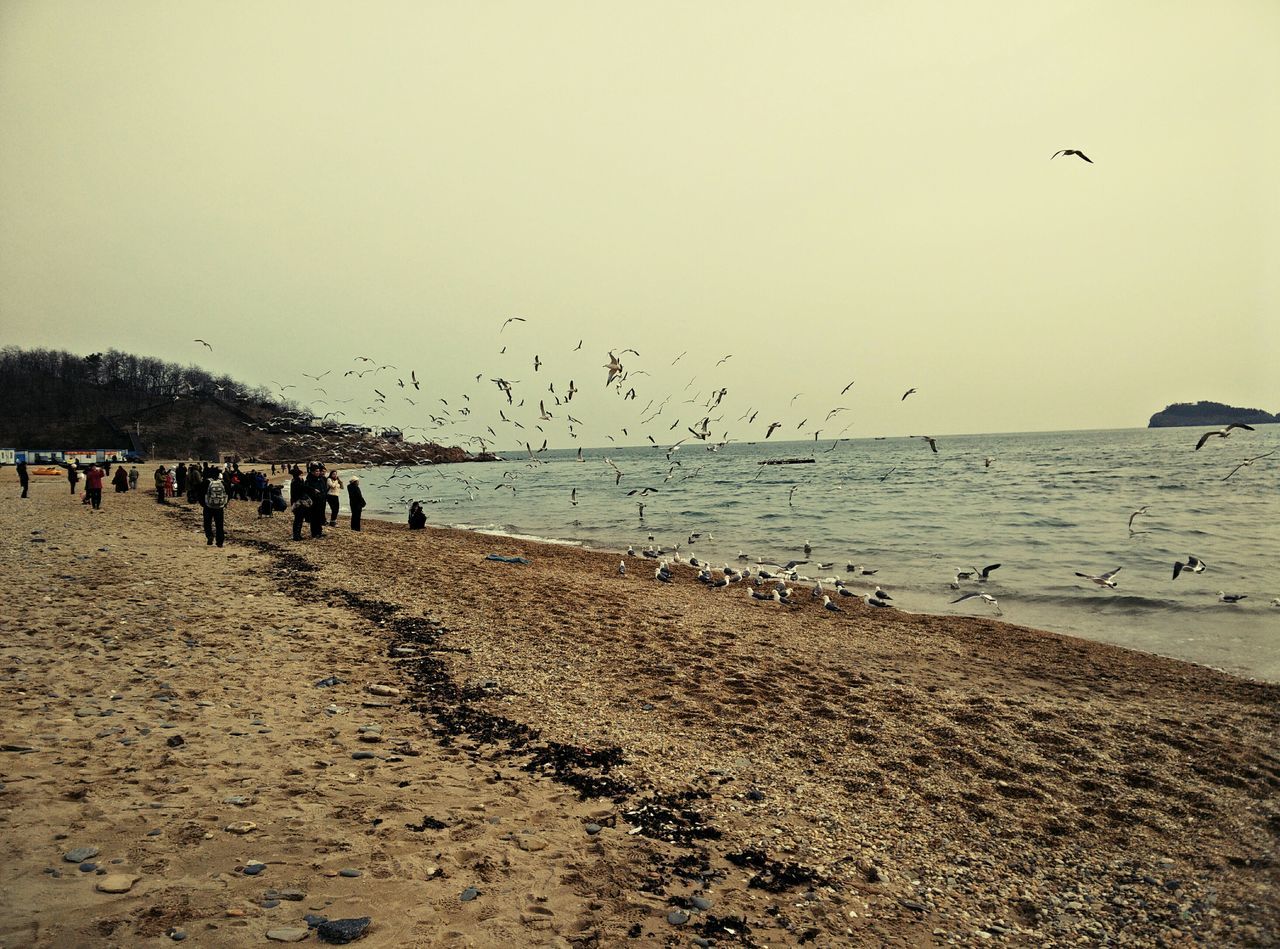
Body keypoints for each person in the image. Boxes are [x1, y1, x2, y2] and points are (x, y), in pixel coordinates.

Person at [202, 472, 228, 547]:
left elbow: (201, 493)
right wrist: (225, 503)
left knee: (207, 523)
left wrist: (203, 504)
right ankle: (220, 541)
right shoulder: (222, 483)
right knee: (219, 524)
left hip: (208, 506)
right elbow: (228, 492)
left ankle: (209, 535)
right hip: (219, 507)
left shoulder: (206, 483)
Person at [304, 463, 328, 537]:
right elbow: (307, 491)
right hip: (314, 502)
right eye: (316, 471)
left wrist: (324, 497)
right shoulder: (309, 480)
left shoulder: (320, 479)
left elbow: (323, 488)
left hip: (321, 500)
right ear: (312, 472)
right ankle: (314, 533)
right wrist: (315, 493)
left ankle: (319, 531)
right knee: (314, 517)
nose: (318, 472)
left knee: (320, 516)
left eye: (318, 471)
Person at [290, 469, 310, 541]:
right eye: (301, 475)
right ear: (297, 475)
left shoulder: (296, 481)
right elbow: (302, 489)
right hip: (298, 503)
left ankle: (298, 534)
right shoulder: (296, 482)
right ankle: (296, 535)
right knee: (298, 519)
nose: (302, 476)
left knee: (299, 519)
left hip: (298, 502)